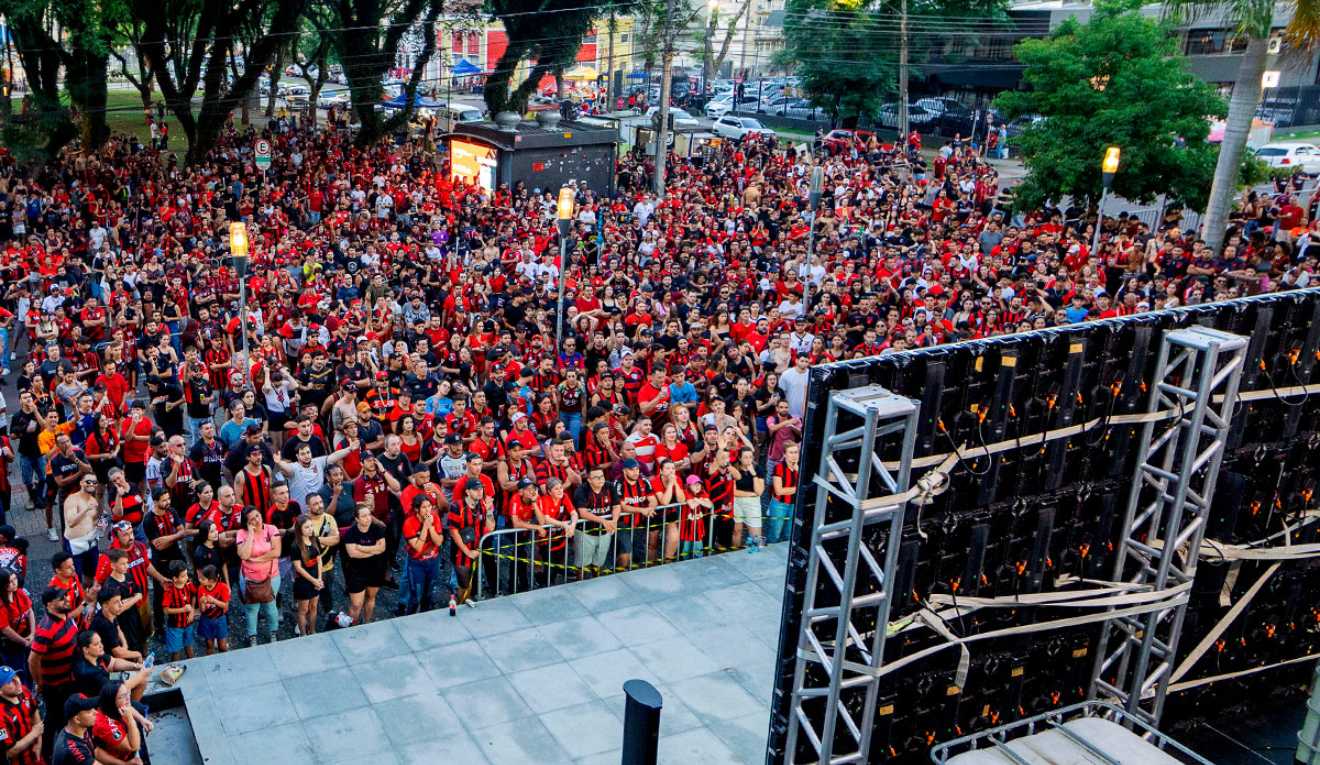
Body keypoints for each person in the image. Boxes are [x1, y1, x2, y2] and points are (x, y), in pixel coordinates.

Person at [30, 588, 78, 760]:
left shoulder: (66, 617)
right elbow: (33, 660)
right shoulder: (45, 629)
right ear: (49, 604)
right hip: (55, 686)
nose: (67, 599)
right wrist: (40, 683)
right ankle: (47, 754)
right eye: (61, 598)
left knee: (65, 717)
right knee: (54, 720)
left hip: (69, 679)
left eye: (65, 596)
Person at [234, 508, 280, 647]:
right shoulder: (242, 533)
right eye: (252, 519)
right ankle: (252, 635)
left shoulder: (271, 529)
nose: (257, 520)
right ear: (247, 522)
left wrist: (257, 559)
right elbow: (244, 555)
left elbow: (276, 552)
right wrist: (251, 534)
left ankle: (273, 632)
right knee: (251, 608)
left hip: (271, 576)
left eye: (258, 515)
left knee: (271, 606)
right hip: (249, 578)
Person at [341, 504, 387, 624]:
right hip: (356, 572)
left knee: (371, 598)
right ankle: (352, 625)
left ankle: (367, 623)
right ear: (357, 519)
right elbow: (353, 554)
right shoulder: (351, 533)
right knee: (356, 604)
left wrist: (361, 547)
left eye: (369, 515)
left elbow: (382, 548)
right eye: (364, 516)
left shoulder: (377, 529)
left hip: (375, 569)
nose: (368, 518)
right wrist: (373, 550)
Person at [0, 664, 43, 765]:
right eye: (10, 681)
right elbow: (9, 752)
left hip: (35, 756)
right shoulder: (1, 715)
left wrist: (38, 743)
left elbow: (34, 710)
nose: (17, 682)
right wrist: (34, 733)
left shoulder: (23, 690)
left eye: (16, 676)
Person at [291, 515, 324, 635]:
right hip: (303, 582)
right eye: (306, 527)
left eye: (311, 526)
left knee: (314, 607)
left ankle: (313, 630)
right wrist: (313, 580)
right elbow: (298, 568)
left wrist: (319, 579)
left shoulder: (315, 540)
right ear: (300, 530)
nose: (310, 529)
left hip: (316, 580)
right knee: (303, 609)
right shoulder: (295, 546)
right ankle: (303, 633)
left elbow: (319, 560)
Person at [62, 475, 100, 580]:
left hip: (91, 542)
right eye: (88, 481)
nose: (91, 484)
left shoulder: (93, 500)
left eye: (94, 482)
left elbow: (92, 521)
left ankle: (88, 594)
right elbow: (71, 522)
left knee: (93, 575)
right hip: (75, 544)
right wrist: (86, 509)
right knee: (75, 577)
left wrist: (100, 523)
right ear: (81, 483)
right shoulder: (72, 499)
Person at [729, 447, 765, 552]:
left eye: (750, 457)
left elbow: (760, 492)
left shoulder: (758, 469)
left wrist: (753, 474)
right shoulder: (735, 469)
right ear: (740, 458)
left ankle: (755, 555)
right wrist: (752, 494)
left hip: (753, 504)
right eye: (745, 457)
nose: (748, 460)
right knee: (737, 530)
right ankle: (735, 553)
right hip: (737, 503)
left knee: (756, 536)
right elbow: (734, 492)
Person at [160, 561, 197, 661]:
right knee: (176, 651)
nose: (186, 577)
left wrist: (192, 610)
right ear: (175, 579)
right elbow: (166, 610)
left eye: (186, 574)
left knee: (189, 646)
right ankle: (174, 669)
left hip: (188, 624)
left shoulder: (188, 584)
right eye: (183, 576)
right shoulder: (169, 591)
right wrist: (183, 609)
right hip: (175, 627)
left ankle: (194, 665)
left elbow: (194, 595)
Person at [49, 693, 98, 765]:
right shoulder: (72, 749)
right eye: (89, 711)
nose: (96, 712)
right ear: (77, 719)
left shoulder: (80, 728)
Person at [196, 565, 230, 654]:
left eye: (203, 579)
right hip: (206, 619)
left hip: (220, 618)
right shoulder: (201, 589)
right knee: (209, 646)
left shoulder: (223, 587)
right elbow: (202, 611)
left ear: (211, 580)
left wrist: (214, 601)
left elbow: (225, 606)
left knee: (222, 646)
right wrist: (202, 603)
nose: (200, 580)